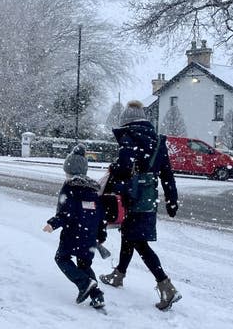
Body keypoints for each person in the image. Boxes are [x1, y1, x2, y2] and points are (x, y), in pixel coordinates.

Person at [99, 100, 181, 311]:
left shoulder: (129, 137)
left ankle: (166, 285)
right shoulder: (158, 141)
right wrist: (172, 201)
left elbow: (125, 167)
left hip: (131, 197)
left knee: (139, 243)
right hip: (148, 197)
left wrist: (114, 168)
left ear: (127, 121)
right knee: (130, 236)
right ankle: (118, 275)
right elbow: (167, 176)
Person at [43, 143, 107, 309]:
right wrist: (101, 234)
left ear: (69, 171)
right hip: (90, 236)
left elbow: (66, 213)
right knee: (84, 264)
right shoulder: (93, 189)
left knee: (61, 258)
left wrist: (52, 223)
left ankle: (84, 283)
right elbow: (100, 215)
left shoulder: (69, 187)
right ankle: (97, 295)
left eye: (66, 172)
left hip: (73, 234)